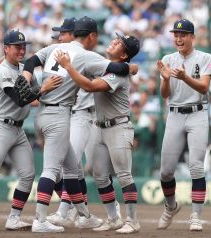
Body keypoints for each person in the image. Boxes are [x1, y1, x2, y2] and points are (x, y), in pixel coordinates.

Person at [22, 16, 138, 233]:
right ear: (92, 36)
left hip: (46, 113)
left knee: (72, 168)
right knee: (52, 170)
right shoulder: (86, 56)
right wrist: (131, 67)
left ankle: (83, 214)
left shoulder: (53, 48)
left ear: (74, 33)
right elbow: (118, 69)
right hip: (61, 115)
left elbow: (30, 62)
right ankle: (41, 219)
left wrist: (26, 78)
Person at [0, 30, 62, 231]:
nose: (22, 49)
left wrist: (53, 98)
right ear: (6, 48)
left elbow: (34, 98)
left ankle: (14, 218)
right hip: (1, 126)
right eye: (17, 46)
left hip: (17, 130)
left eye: (23, 46)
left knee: (28, 174)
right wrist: (44, 88)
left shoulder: (24, 69)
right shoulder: (2, 71)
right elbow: (20, 99)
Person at [55, 33, 140, 234]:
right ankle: (113, 218)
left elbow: (91, 86)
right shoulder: (106, 65)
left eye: (120, 43)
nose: (114, 41)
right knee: (100, 176)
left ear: (124, 54)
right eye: (116, 39)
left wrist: (69, 66)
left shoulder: (118, 73)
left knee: (124, 175)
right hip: (98, 126)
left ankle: (133, 220)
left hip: (118, 127)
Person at [156, 19, 211, 231]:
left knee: (196, 166)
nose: (179, 38)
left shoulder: (205, 57)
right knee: (165, 171)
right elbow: (165, 94)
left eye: (183, 35)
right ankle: (171, 206)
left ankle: (195, 216)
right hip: (174, 114)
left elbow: (203, 88)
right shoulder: (168, 58)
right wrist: (165, 79)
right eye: (176, 34)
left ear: (192, 37)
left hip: (197, 114)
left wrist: (184, 77)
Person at [47, 17, 108, 228]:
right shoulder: (60, 55)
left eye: (62, 33)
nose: (59, 37)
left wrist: (128, 67)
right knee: (76, 167)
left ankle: (68, 210)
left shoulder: (86, 56)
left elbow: (112, 73)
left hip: (84, 113)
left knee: (85, 168)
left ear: (74, 35)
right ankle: (79, 211)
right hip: (69, 114)